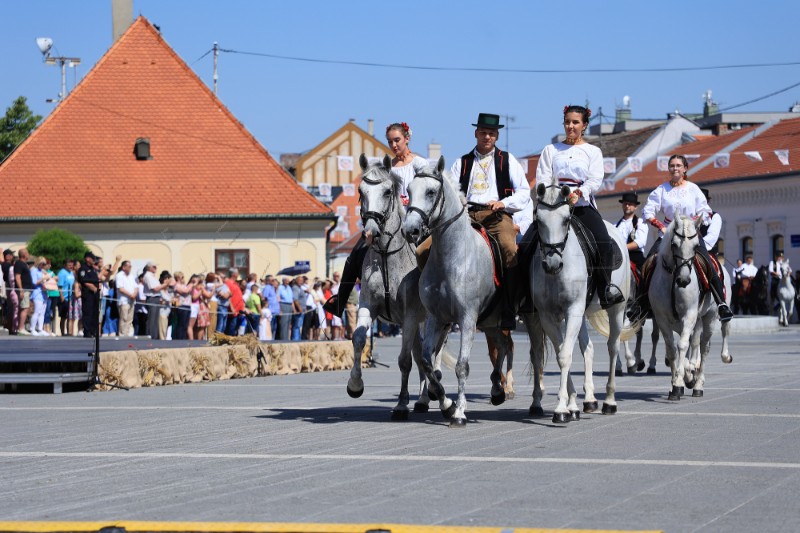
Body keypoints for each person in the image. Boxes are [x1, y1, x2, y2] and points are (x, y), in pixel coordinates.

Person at [433, 113, 529, 330]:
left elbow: (524, 192)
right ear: (476, 134)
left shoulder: (507, 160)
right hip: (465, 217)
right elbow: (449, 191)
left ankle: (508, 307)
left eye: (492, 133)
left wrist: (503, 203)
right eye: (484, 133)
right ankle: (433, 302)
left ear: (496, 136)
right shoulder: (462, 162)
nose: (487, 137)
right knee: (425, 249)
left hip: (496, 216)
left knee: (509, 249)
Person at [323, 121, 428, 318]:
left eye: (397, 140)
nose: (394, 145)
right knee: (356, 252)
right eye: (390, 141)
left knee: (432, 252)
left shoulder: (420, 164)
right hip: (389, 224)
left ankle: (438, 301)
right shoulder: (385, 167)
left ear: (407, 138)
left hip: (416, 222)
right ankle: (340, 301)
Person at [536, 106, 624, 310]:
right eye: (567, 122)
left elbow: (595, 179)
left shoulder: (592, 151)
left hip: (581, 206)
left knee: (604, 243)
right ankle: (524, 293)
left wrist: (580, 193)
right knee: (527, 243)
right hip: (554, 207)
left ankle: (605, 289)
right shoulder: (551, 150)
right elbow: (542, 177)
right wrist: (553, 194)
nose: (570, 126)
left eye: (575, 122)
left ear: (584, 125)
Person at [635, 154, 733, 322]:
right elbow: (648, 211)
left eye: (678, 165)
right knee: (648, 264)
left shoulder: (693, 189)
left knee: (709, 263)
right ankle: (641, 305)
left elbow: (704, 210)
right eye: (672, 165)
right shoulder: (661, 189)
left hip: (690, 234)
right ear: (668, 168)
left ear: (685, 168)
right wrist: (660, 226)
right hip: (668, 234)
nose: (675, 168)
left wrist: (693, 222)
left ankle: (721, 303)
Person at [615, 191, 648, 273]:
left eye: (630, 204)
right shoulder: (615, 226)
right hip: (618, 258)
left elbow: (640, 242)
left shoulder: (641, 223)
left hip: (635, 258)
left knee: (645, 278)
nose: (627, 206)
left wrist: (622, 248)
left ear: (635, 207)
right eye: (625, 203)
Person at [142, 261, 172, 339]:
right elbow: (155, 289)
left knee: (155, 319)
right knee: (152, 319)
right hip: (152, 298)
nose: (156, 268)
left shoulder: (152, 276)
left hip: (156, 298)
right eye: (154, 267)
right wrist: (165, 284)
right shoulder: (148, 276)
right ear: (149, 268)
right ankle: (150, 336)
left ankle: (154, 336)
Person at [77, 251, 101, 338]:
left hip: (95, 294)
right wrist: (94, 288)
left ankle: (93, 331)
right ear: (87, 259)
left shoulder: (93, 269)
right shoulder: (83, 269)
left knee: (95, 313)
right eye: (92, 259)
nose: (94, 260)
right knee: (88, 312)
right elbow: (84, 281)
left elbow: (97, 279)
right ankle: (87, 332)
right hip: (88, 294)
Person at [115, 261, 138, 336]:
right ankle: (122, 334)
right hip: (124, 301)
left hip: (132, 300)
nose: (130, 268)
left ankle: (127, 334)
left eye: (130, 266)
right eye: (129, 266)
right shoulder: (119, 275)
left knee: (130, 319)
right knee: (123, 318)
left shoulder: (132, 276)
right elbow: (120, 288)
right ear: (124, 267)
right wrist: (130, 295)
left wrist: (134, 294)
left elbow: (136, 287)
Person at [14, 248, 34, 334]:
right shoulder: (19, 264)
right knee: (25, 308)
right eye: (27, 253)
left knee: (26, 308)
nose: (28, 255)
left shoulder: (24, 264)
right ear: (24, 255)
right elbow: (17, 277)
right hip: (24, 289)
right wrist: (21, 290)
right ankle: (21, 328)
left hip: (27, 289)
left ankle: (21, 327)